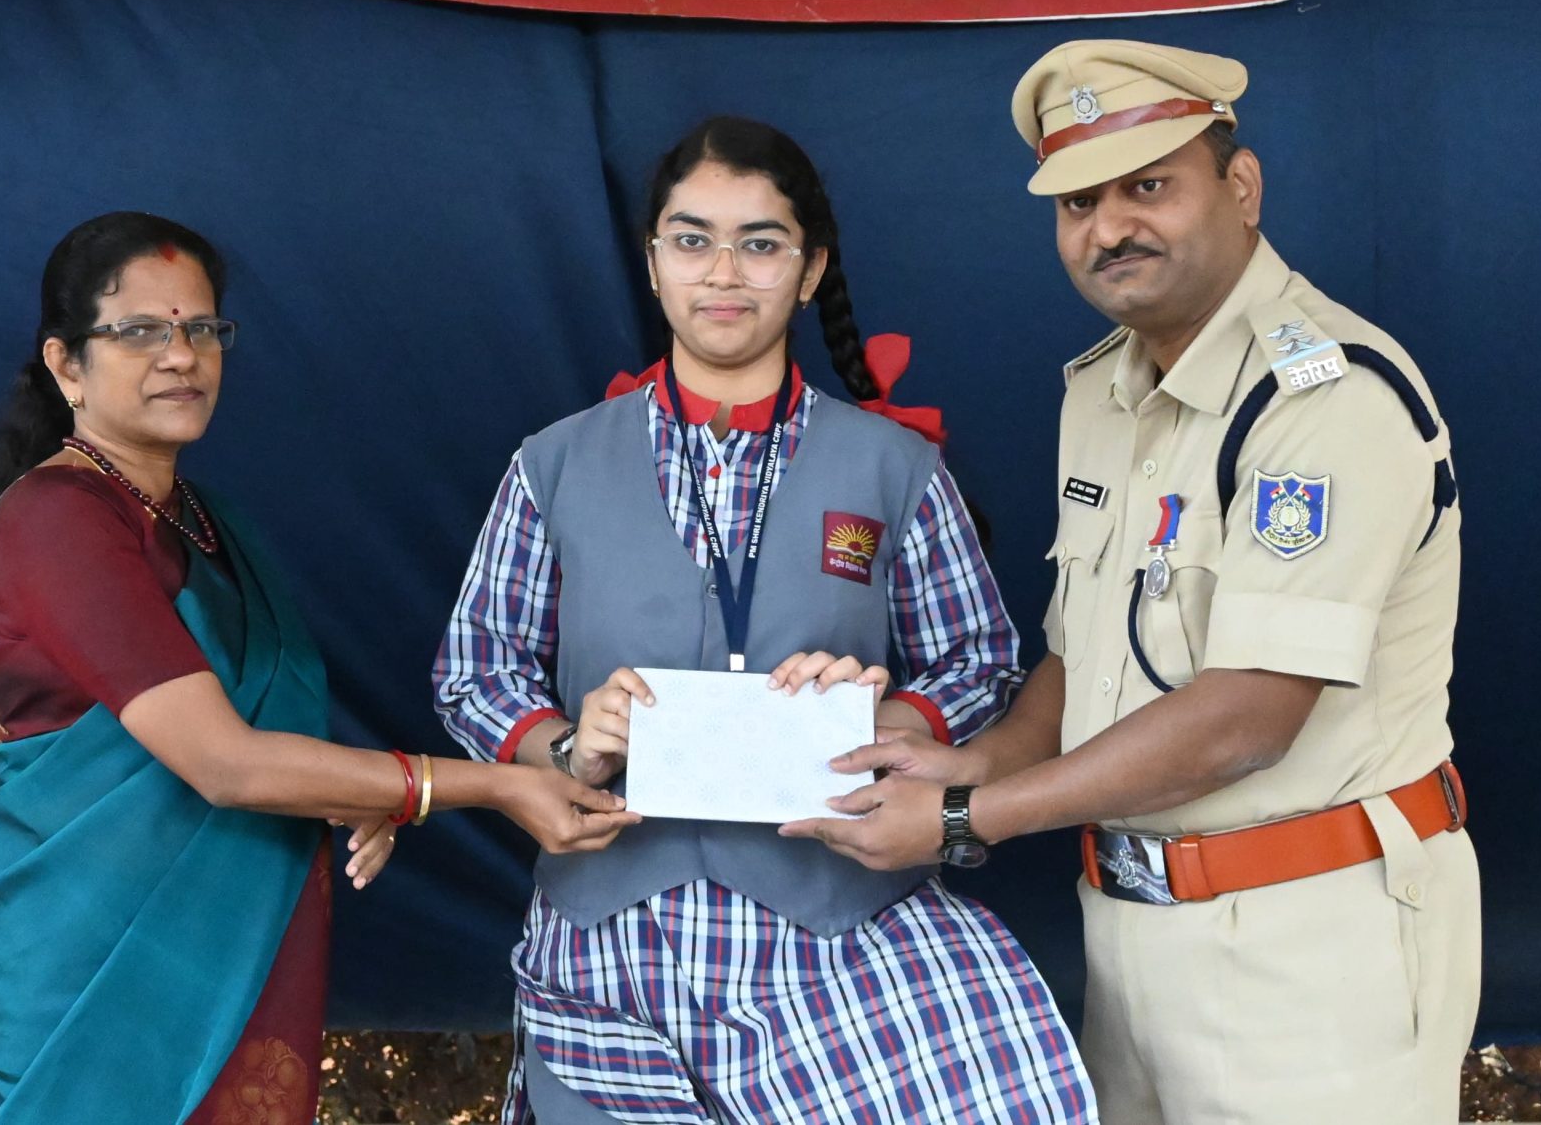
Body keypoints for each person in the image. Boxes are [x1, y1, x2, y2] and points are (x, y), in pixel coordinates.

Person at [784, 42, 1480, 1125]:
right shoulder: (1103, 391)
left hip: (1311, 941)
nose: (1108, 227)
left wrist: (967, 813)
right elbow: (1087, 657)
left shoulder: (1324, 396)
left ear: (1240, 187)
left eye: (1147, 186)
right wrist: (976, 759)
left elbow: (1246, 717)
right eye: (1079, 202)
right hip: (1131, 929)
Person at [435, 119, 1094, 1125]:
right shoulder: (554, 463)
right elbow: (476, 667)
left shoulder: (891, 466)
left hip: (838, 938)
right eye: (691, 239)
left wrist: (890, 718)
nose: (723, 272)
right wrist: (566, 743)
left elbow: (979, 655)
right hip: (610, 939)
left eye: (760, 242)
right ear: (652, 260)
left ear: (809, 266)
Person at [0, 212, 635, 1125]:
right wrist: (486, 786)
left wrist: (352, 794)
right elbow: (226, 763)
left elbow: (270, 733)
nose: (181, 356)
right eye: (141, 331)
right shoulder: (56, 522)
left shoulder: (207, 520)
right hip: (92, 969)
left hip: (229, 945)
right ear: (65, 363)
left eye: (202, 328)